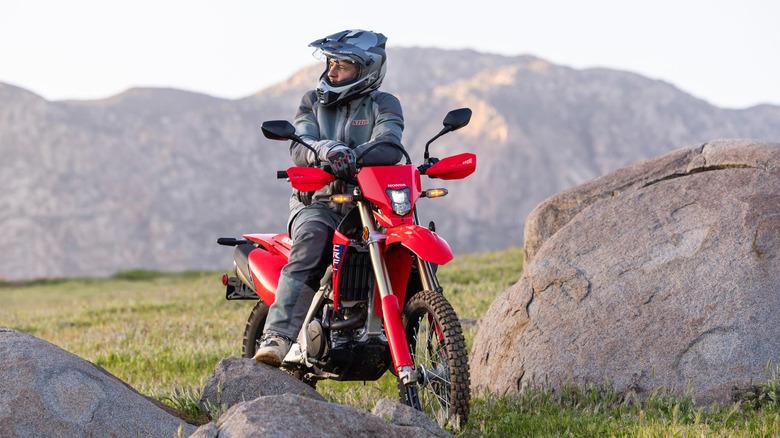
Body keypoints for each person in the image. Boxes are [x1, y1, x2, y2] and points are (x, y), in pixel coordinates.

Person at [254, 29, 405, 366]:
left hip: (369, 203)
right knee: (313, 240)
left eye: (343, 66)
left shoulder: (384, 103)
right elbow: (300, 143)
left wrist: (358, 154)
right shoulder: (311, 101)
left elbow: (391, 142)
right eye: (331, 63)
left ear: (367, 70)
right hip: (318, 202)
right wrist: (327, 150)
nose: (332, 72)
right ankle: (276, 335)